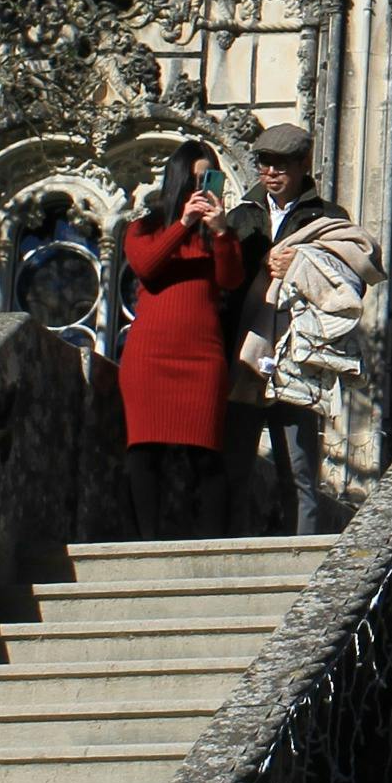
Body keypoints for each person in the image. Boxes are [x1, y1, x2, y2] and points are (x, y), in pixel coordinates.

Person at [230, 125, 376, 536]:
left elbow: (351, 281)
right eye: (264, 163)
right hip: (246, 354)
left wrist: (302, 265)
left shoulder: (328, 218)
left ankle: (302, 567)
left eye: (281, 163)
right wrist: (260, 265)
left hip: (298, 357)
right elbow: (225, 281)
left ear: (303, 165)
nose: (271, 171)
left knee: (297, 469)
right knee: (234, 464)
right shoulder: (242, 216)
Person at [117, 151, 249, 537]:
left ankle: (213, 548)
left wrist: (222, 231)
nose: (202, 189)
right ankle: (146, 546)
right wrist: (184, 223)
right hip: (148, 356)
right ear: (178, 182)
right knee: (143, 452)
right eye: (195, 181)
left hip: (202, 356)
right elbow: (147, 267)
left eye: (209, 180)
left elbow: (230, 280)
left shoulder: (220, 236)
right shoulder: (144, 228)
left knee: (207, 455)